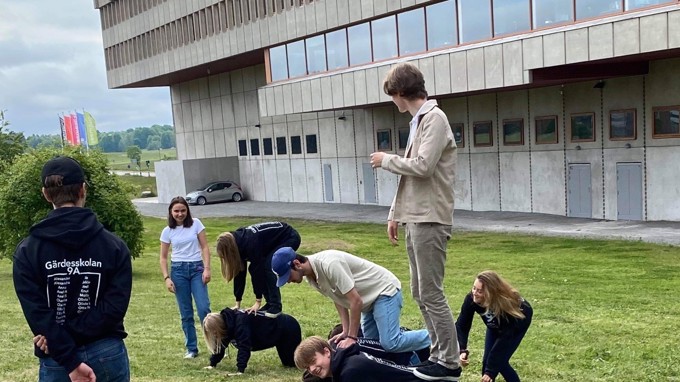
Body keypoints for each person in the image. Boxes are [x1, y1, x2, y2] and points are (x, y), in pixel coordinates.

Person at [369, 62, 461, 381]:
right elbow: (412, 179)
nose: (391, 101)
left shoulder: (434, 118)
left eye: (391, 95)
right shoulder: (418, 121)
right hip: (414, 217)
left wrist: (386, 160)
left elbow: (422, 167)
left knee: (431, 292)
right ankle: (437, 354)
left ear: (400, 92)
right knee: (419, 291)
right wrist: (395, 214)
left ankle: (450, 360)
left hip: (431, 218)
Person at [13, 156, 132, 382]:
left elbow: (38, 315)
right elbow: (113, 309)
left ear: (46, 194)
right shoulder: (114, 246)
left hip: (56, 354)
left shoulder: (27, 251)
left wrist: (61, 341)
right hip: (105, 351)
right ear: (82, 190)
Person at [272, 247, 430, 357]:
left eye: (288, 276)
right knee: (373, 346)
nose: (288, 281)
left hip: (383, 291)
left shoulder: (329, 264)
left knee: (390, 343)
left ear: (297, 264)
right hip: (369, 300)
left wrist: (352, 338)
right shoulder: (311, 278)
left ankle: (443, 337)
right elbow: (339, 299)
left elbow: (355, 301)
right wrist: (346, 331)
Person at [455, 271, 533, 382]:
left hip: (517, 324)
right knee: (487, 362)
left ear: (490, 293)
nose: (475, 293)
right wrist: (462, 349)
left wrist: (490, 372)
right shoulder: (471, 299)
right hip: (496, 323)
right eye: (474, 288)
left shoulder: (507, 307)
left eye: (480, 291)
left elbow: (504, 340)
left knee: (499, 362)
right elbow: (462, 326)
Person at [160, 196, 212, 359]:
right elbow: (163, 257)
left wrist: (207, 268)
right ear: (171, 212)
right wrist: (167, 278)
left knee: (204, 308)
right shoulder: (167, 231)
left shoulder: (196, 224)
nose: (180, 214)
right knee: (186, 313)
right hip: (178, 271)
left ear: (187, 211)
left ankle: (215, 346)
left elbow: (204, 247)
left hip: (197, 269)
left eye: (183, 210)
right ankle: (191, 348)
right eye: (176, 211)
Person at [216, 221, 300, 317]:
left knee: (268, 266)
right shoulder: (237, 244)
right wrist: (237, 303)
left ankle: (276, 306)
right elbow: (239, 272)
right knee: (258, 267)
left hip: (289, 237)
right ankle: (269, 303)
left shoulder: (249, 243)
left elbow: (257, 272)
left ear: (229, 250)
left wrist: (258, 301)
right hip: (271, 242)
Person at [202, 307, 301, 375]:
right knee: (288, 364)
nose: (214, 335)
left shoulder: (239, 323)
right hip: (276, 333)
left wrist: (240, 370)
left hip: (287, 328)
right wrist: (212, 364)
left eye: (214, 332)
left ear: (219, 326)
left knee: (295, 363)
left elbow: (244, 347)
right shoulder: (227, 325)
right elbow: (221, 346)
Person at [295, 336, 428, 382]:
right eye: (307, 367)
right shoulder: (345, 362)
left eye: (313, 361)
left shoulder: (350, 371)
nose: (312, 369)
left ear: (326, 352)